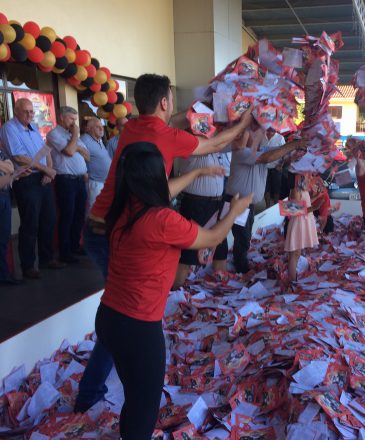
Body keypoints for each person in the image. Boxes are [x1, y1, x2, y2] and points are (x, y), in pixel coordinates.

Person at [75, 73, 252, 413]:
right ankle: (95, 394)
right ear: (164, 102)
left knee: (119, 315)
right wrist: (244, 120)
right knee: (126, 315)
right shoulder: (163, 136)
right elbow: (215, 144)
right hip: (112, 230)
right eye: (171, 98)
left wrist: (204, 113)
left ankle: (97, 389)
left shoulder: (134, 128)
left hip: (105, 226)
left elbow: (162, 178)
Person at [95, 141, 252, 440]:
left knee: (135, 397)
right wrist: (234, 212)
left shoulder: (124, 209)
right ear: (156, 177)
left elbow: (163, 199)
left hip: (109, 317)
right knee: (144, 414)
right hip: (138, 328)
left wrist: (197, 172)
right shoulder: (162, 219)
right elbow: (213, 237)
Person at [225, 128, 308, 274]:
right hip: (239, 202)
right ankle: (242, 268)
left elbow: (278, 156)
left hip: (254, 204)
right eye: (256, 134)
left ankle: (242, 264)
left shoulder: (301, 175)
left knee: (246, 237)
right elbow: (269, 157)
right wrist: (295, 145)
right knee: (243, 237)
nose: (260, 136)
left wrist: (294, 149)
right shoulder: (244, 152)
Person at [1, 98, 64, 279]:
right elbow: (19, 157)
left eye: (31, 111)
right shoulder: (10, 128)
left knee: (48, 219)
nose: (30, 114)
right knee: (30, 223)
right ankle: (28, 266)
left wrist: (49, 170)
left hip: (43, 177)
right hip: (26, 179)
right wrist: (45, 169)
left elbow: (46, 151)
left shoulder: (34, 127)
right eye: (26, 111)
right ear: (16, 111)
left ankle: (46, 258)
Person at [173, 153, 228, 288]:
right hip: (196, 204)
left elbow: (233, 145)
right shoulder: (196, 147)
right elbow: (216, 145)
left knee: (220, 248)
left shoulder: (216, 149)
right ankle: (175, 290)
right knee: (188, 253)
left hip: (216, 203)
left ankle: (223, 288)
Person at [47, 106, 90, 263]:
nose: (74, 123)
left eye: (75, 119)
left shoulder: (72, 135)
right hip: (65, 180)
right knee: (67, 216)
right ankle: (65, 253)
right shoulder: (54, 134)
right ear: (61, 117)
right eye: (71, 119)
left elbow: (87, 155)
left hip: (79, 180)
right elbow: (70, 152)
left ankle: (74, 246)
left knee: (79, 215)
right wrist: (75, 139)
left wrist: (74, 143)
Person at [285, 173, 319, 282]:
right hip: (297, 224)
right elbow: (295, 210)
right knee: (293, 254)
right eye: (308, 176)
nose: (310, 178)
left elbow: (306, 203)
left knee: (297, 253)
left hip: (302, 223)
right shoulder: (296, 190)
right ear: (300, 178)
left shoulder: (303, 190)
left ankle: (293, 278)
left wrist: (317, 197)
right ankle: (291, 281)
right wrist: (314, 208)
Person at [0, 149, 21, 284]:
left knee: (3, 238)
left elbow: (11, 168)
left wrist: (7, 169)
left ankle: (3, 274)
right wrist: (6, 168)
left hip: (4, 195)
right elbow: (8, 169)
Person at [81, 117, 112, 209]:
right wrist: (84, 173)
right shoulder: (84, 140)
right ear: (89, 129)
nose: (101, 129)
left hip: (103, 182)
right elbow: (79, 158)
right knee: (93, 209)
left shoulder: (99, 140)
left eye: (102, 126)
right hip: (94, 183)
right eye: (97, 127)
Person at [261, 127, 286, 208]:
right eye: (268, 130)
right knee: (265, 188)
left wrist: (281, 165)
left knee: (276, 188)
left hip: (276, 167)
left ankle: (275, 206)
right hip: (263, 167)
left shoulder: (280, 138)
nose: (270, 132)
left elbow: (284, 153)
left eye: (273, 130)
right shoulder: (261, 136)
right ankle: (267, 206)